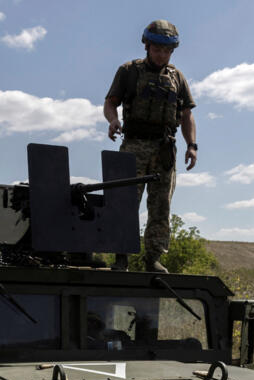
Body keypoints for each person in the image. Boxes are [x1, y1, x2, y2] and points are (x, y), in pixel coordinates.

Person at [103, 20, 198, 273]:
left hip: (164, 149)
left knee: (160, 206)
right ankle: (120, 257)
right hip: (134, 144)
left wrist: (192, 145)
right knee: (125, 202)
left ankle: (153, 259)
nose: (162, 55)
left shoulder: (177, 77)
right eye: (157, 50)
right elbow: (110, 103)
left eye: (167, 51)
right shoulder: (128, 71)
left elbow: (187, 114)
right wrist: (113, 121)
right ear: (147, 47)